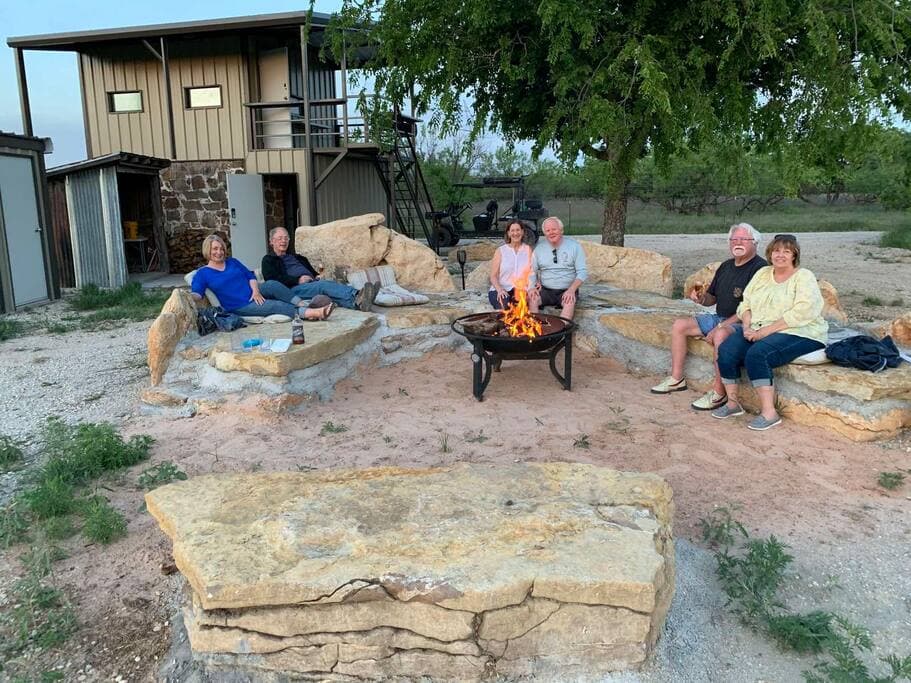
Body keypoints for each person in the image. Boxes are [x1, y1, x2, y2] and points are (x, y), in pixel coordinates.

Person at [712, 234, 828, 430]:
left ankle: (769, 413)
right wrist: (747, 327)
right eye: (776, 250)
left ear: (794, 255)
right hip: (757, 327)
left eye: (786, 251)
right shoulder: (763, 273)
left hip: (800, 331)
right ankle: (732, 404)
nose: (780, 255)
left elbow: (803, 312)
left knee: (757, 354)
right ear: (770, 253)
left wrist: (764, 332)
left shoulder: (803, 276)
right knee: (727, 350)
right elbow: (745, 303)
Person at [650, 223, 767, 410]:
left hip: (744, 323)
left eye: (743, 239)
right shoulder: (726, 266)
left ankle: (719, 394)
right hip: (719, 317)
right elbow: (713, 299)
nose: (737, 243)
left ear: (755, 243)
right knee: (680, 325)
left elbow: (750, 309)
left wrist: (719, 327)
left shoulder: (760, 269)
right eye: (734, 239)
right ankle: (676, 379)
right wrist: (702, 298)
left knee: (720, 337)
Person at [191, 234, 333, 320]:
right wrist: (186, 297)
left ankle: (303, 304)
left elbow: (250, 276)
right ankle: (314, 312)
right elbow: (197, 294)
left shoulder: (232, 262)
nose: (219, 252)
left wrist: (256, 291)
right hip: (240, 305)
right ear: (207, 250)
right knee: (276, 305)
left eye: (221, 248)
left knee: (272, 284)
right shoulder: (202, 273)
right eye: (215, 249)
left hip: (253, 293)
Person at [261, 227, 378, 312]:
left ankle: (358, 304)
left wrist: (317, 275)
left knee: (329, 287)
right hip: (292, 289)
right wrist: (297, 280)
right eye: (280, 238)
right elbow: (273, 281)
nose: (284, 241)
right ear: (271, 241)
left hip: (311, 283)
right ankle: (358, 294)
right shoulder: (269, 260)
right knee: (322, 286)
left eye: (286, 238)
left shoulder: (299, 257)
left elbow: (313, 273)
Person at [529, 216, 587, 319]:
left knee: (569, 301)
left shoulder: (574, 247)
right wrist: (531, 287)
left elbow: (582, 272)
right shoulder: (539, 249)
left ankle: (562, 330)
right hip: (545, 290)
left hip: (567, 290)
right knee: (532, 298)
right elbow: (531, 271)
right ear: (544, 233)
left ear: (561, 230)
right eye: (547, 230)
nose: (551, 232)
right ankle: (535, 328)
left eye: (554, 229)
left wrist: (572, 290)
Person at [489, 219, 534, 309]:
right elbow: (493, 276)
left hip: (520, 290)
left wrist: (533, 286)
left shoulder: (528, 249)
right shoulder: (501, 251)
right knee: (504, 305)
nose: (515, 233)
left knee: (520, 307)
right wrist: (500, 290)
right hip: (501, 288)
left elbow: (531, 272)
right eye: (512, 230)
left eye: (518, 230)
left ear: (522, 232)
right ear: (508, 233)